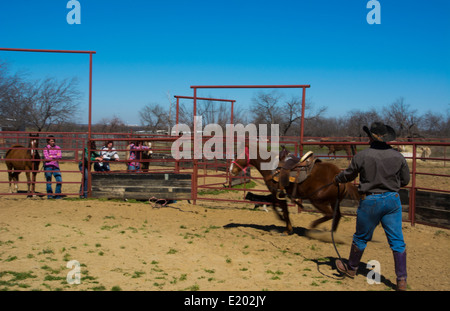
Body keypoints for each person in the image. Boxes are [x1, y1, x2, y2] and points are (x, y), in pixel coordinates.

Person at [333, 122, 410, 291]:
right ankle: (401, 280)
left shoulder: (362, 156)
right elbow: (405, 181)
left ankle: (351, 269)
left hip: (371, 201)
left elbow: (349, 174)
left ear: (370, 138)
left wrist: (338, 179)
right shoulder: (398, 157)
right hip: (392, 200)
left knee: (361, 237)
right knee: (397, 241)